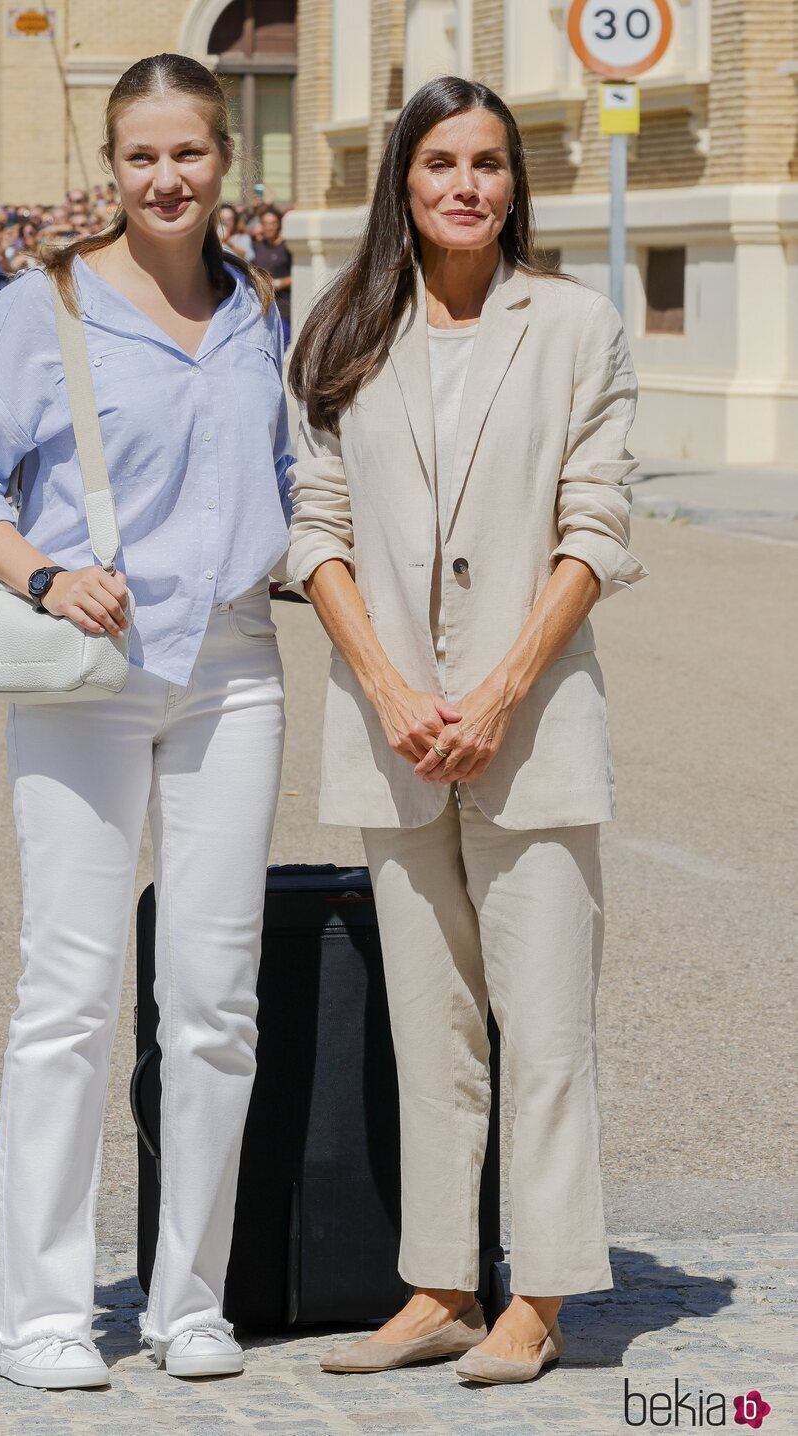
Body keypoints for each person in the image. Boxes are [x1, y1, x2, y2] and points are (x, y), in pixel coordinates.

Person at [0, 51, 291, 1390]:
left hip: (236, 668)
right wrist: (41, 570)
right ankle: (40, 1316)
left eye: (188, 151)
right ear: (111, 166)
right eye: (141, 154)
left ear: (221, 159)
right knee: (71, 994)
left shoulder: (260, 309)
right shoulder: (45, 304)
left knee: (213, 1000)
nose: (166, 177)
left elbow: (288, 479)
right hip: (88, 669)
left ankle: (190, 1299)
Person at [286, 76, 646, 1385]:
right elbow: (316, 531)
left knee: (543, 1029)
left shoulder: (577, 326)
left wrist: (494, 691)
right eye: (442, 161)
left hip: (532, 730)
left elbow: (595, 529)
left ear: (514, 181)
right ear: (405, 178)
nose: (467, 186)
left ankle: (538, 1296)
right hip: (391, 733)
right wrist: (389, 687)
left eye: (489, 164)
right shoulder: (338, 332)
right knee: (427, 1027)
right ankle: (439, 1284)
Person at [251, 207, 292, 348]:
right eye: (265, 223)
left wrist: (278, 283)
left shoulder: (288, 247)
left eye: (273, 223)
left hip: (284, 309)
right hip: (262, 310)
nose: (269, 227)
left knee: (282, 348)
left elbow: (297, 276)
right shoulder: (256, 247)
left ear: (279, 225)